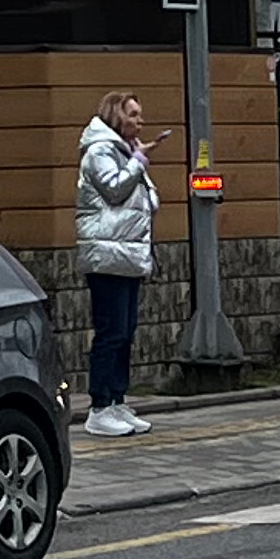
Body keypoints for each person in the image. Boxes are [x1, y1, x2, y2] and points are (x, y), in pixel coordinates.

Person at [75, 89, 157, 435]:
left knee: (126, 332)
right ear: (116, 116)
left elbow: (147, 200)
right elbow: (114, 190)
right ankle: (99, 406)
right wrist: (138, 163)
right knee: (110, 333)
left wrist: (137, 161)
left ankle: (117, 400)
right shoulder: (100, 151)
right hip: (107, 254)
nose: (141, 120)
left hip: (125, 253)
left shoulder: (123, 151)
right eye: (134, 114)